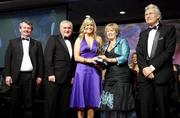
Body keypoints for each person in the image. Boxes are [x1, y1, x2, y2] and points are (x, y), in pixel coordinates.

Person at [136, 4, 176, 118]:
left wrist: (151, 68)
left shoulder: (169, 29)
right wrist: (145, 69)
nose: (147, 16)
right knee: (145, 111)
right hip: (145, 78)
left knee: (164, 110)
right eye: (146, 14)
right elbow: (139, 54)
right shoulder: (143, 34)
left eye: (150, 13)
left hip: (161, 76)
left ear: (158, 16)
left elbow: (168, 52)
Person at [4, 20, 44, 118]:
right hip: (16, 76)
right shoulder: (12, 42)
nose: (26, 30)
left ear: (31, 30)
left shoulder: (37, 43)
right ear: (20, 29)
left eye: (29, 28)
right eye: (24, 27)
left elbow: (40, 61)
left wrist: (39, 76)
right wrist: (8, 75)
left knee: (29, 103)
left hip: (30, 76)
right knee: (14, 103)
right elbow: (7, 59)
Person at [98, 23, 136, 118]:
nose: (109, 32)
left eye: (112, 30)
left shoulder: (123, 41)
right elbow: (106, 65)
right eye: (108, 31)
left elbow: (124, 58)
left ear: (117, 32)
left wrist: (107, 59)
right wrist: (99, 63)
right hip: (109, 77)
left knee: (120, 103)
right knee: (107, 103)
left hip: (122, 76)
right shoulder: (105, 46)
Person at [70, 17, 102, 118]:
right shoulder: (79, 39)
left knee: (92, 102)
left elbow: (101, 55)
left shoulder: (98, 39)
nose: (89, 27)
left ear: (94, 27)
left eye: (91, 25)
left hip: (94, 72)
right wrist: (88, 60)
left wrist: (100, 63)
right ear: (84, 26)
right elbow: (76, 57)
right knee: (81, 101)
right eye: (87, 25)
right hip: (82, 71)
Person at [44, 20, 76, 118]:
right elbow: (48, 57)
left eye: (69, 28)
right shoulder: (53, 39)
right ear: (60, 29)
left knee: (64, 107)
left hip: (67, 80)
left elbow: (73, 61)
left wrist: (73, 76)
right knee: (51, 106)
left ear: (72, 29)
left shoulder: (73, 41)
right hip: (54, 79)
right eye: (65, 28)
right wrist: (50, 74)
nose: (67, 30)